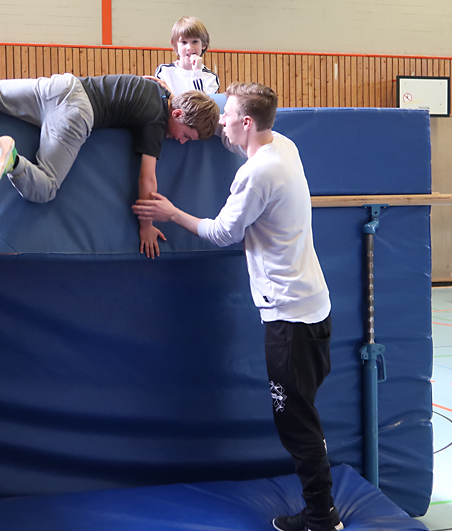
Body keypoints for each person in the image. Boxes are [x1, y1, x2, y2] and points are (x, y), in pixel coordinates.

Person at [132, 82, 343, 531]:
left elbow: (222, 232)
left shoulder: (259, 173)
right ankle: (321, 509)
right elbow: (240, 146)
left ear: (247, 122)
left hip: (289, 317)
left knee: (296, 423)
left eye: (227, 114)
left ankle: (321, 516)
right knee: (303, 415)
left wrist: (172, 213)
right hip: (314, 308)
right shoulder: (283, 146)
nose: (222, 121)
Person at [0, 74, 219, 258]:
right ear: (176, 114)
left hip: (62, 85)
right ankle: (11, 160)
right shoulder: (156, 122)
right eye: (186, 136)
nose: (181, 142)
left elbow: (165, 93)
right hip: (76, 114)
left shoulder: (159, 89)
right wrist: (146, 226)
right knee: (45, 188)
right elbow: (147, 178)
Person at [154, 16, 219, 96]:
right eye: (184, 42)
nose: (189, 47)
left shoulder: (211, 77)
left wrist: (197, 73)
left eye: (195, 42)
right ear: (174, 45)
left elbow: (202, 103)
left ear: (204, 44)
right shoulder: (164, 71)